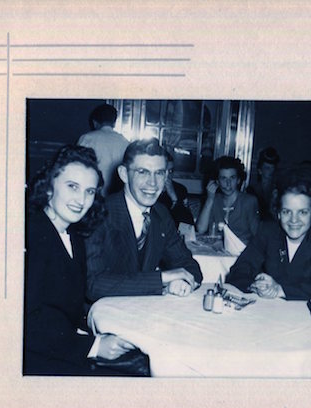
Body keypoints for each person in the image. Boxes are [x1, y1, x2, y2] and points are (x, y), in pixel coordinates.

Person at [24, 145, 143, 376]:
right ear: (48, 186)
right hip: (35, 363)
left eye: (89, 191)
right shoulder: (33, 235)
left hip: (61, 350)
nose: (81, 200)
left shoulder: (74, 235)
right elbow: (26, 323)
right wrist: (94, 346)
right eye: (72, 187)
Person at [85, 138, 202, 302]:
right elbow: (93, 285)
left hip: (144, 309)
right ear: (124, 174)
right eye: (142, 172)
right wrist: (162, 279)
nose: (152, 183)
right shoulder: (99, 213)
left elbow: (189, 266)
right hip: (103, 312)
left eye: (159, 173)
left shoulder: (161, 214)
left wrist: (183, 282)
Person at [226, 182, 311, 300]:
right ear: (279, 214)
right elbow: (238, 270)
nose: (294, 220)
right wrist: (255, 285)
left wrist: (280, 290)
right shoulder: (268, 232)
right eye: (286, 212)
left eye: (302, 212)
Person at [196, 156, 260, 245]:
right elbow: (201, 229)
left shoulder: (248, 201)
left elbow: (257, 235)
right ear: (217, 181)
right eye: (223, 178)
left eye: (232, 178)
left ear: (238, 180)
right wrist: (210, 199)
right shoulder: (215, 200)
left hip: (242, 249)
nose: (228, 184)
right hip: (217, 250)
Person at [77, 103, 129, 195]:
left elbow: (78, 167)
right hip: (116, 195)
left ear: (94, 122)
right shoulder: (125, 141)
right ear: (114, 122)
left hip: (93, 191)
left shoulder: (87, 138)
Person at [156, 151, 195, 228]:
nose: (168, 176)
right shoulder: (150, 190)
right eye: (163, 171)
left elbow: (188, 224)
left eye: (170, 171)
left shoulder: (180, 189)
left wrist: (174, 198)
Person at [246, 146, 279, 220]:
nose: (271, 171)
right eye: (267, 168)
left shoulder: (278, 190)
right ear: (260, 171)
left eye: (273, 168)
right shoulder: (251, 191)